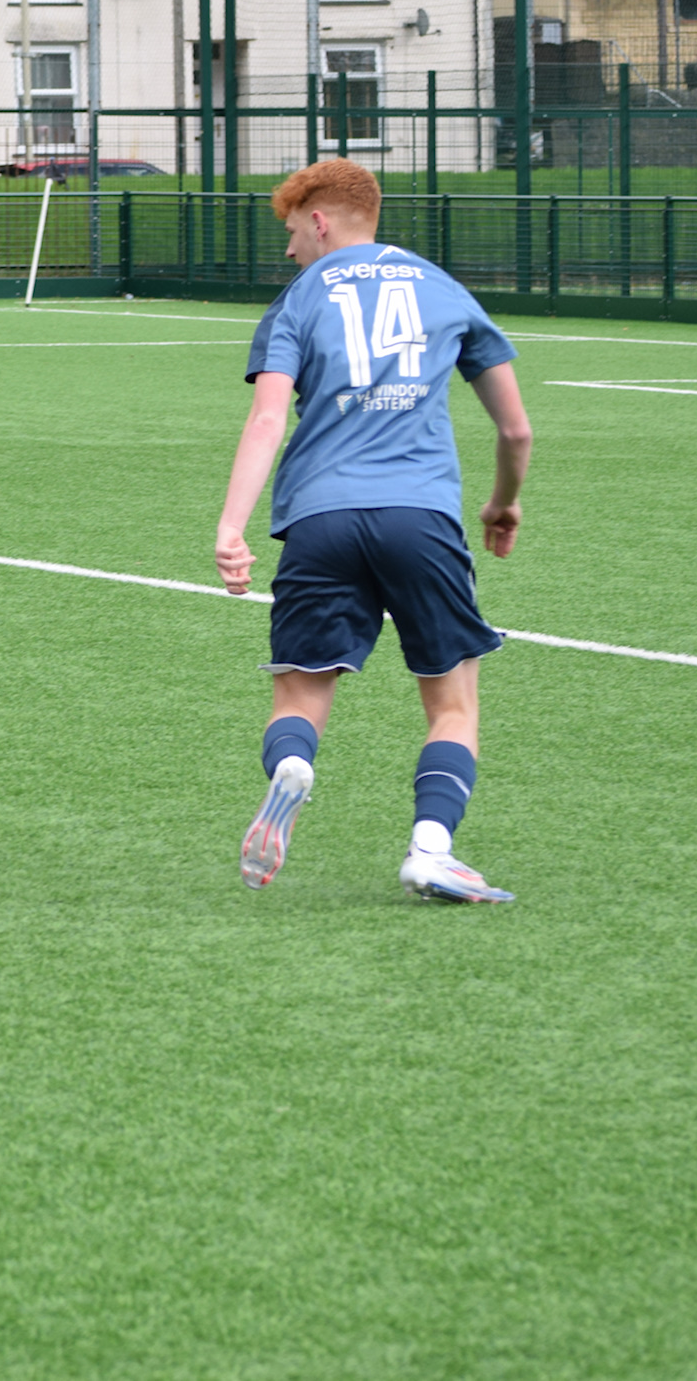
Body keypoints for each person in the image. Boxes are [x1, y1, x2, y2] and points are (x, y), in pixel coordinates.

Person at [214, 159, 532, 904]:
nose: (290, 250)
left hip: (318, 519)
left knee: (299, 699)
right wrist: (502, 503)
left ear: (319, 220)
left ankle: (295, 768)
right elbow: (515, 429)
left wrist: (232, 526)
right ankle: (431, 848)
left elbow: (267, 418)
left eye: (292, 232)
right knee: (452, 702)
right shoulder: (443, 288)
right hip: (419, 515)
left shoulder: (297, 300)